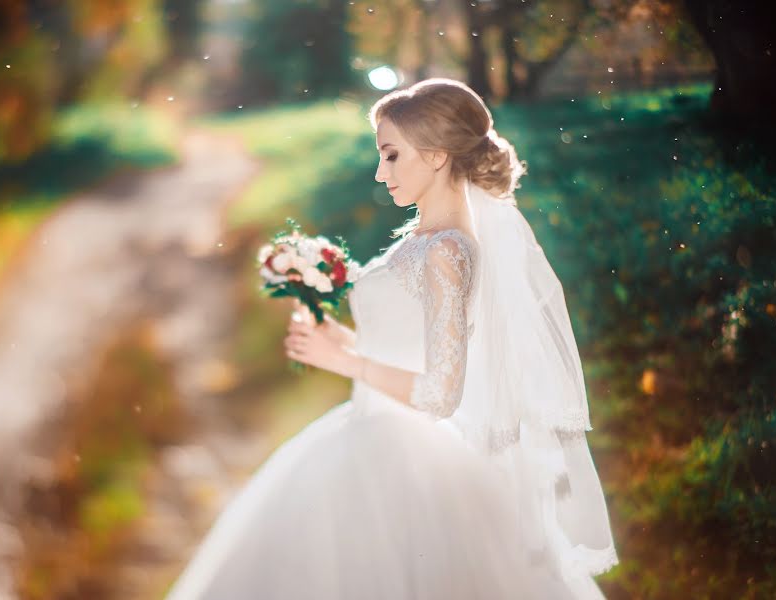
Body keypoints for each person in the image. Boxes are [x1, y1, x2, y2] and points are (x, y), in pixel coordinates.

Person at [166, 78, 618, 599]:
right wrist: (345, 342)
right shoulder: (423, 241)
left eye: (391, 156)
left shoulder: (447, 253)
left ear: (436, 155)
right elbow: (409, 347)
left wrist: (347, 362)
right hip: (370, 431)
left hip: (401, 455)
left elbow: (440, 394)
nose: (381, 173)